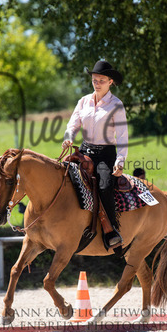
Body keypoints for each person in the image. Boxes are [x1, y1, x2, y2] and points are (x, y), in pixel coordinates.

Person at [62, 60, 129, 248]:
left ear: (110, 82)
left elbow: (122, 135)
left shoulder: (116, 105)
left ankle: (112, 230)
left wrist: (120, 160)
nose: (97, 84)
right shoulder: (83, 101)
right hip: (83, 151)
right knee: (62, 175)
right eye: (94, 80)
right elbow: (73, 124)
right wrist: (68, 138)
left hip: (105, 155)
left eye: (101, 80)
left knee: (104, 185)